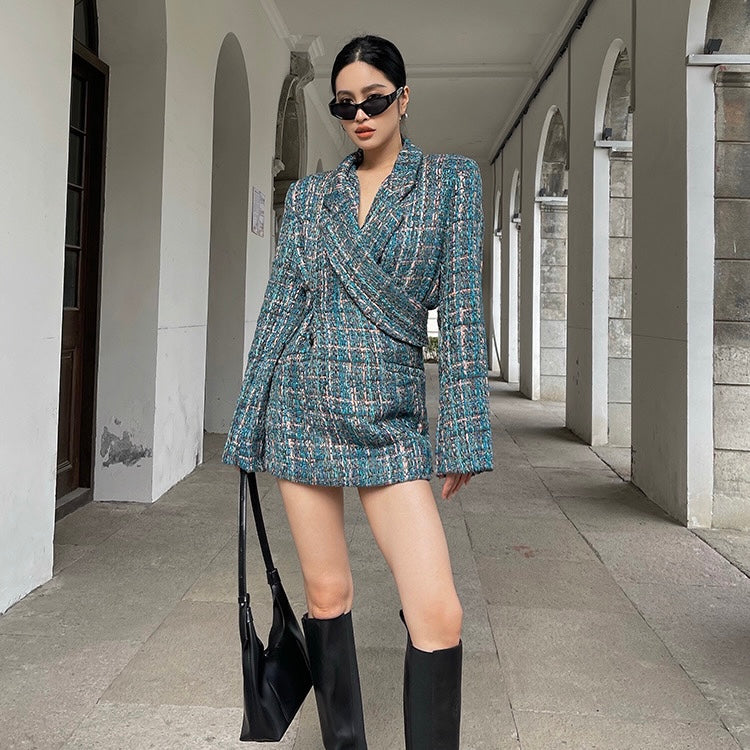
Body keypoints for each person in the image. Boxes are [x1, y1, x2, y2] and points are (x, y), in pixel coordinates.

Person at [223, 34, 493, 750]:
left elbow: (463, 312)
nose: (360, 116)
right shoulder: (313, 197)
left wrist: (463, 431)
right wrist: (249, 421)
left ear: (404, 99)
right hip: (303, 408)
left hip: (390, 418)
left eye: (374, 100)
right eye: (345, 105)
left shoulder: (450, 183)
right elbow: (283, 306)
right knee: (326, 595)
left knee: (438, 612)